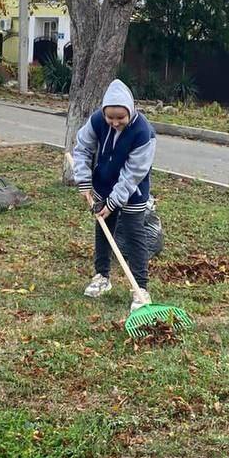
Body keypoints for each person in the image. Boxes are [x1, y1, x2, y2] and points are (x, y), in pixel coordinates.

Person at [72, 79, 156, 313]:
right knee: (103, 230)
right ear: (103, 112)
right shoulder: (97, 121)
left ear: (130, 110)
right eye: (110, 117)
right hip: (103, 185)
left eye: (121, 117)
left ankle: (140, 288)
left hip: (132, 191)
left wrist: (114, 202)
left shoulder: (144, 132)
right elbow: (82, 148)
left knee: (134, 235)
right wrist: (84, 180)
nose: (115, 122)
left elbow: (133, 173)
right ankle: (102, 276)